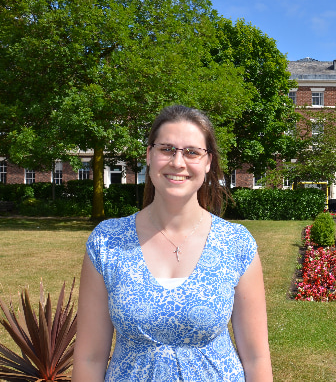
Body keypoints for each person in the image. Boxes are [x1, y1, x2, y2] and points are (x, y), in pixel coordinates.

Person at [73, 105, 273, 381]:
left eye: (191, 152)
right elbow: (89, 358)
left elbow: (256, 357)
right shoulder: (107, 242)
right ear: (149, 155)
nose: (178, 162)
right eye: (166, 149)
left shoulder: (236, 244)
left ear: (208, 162)